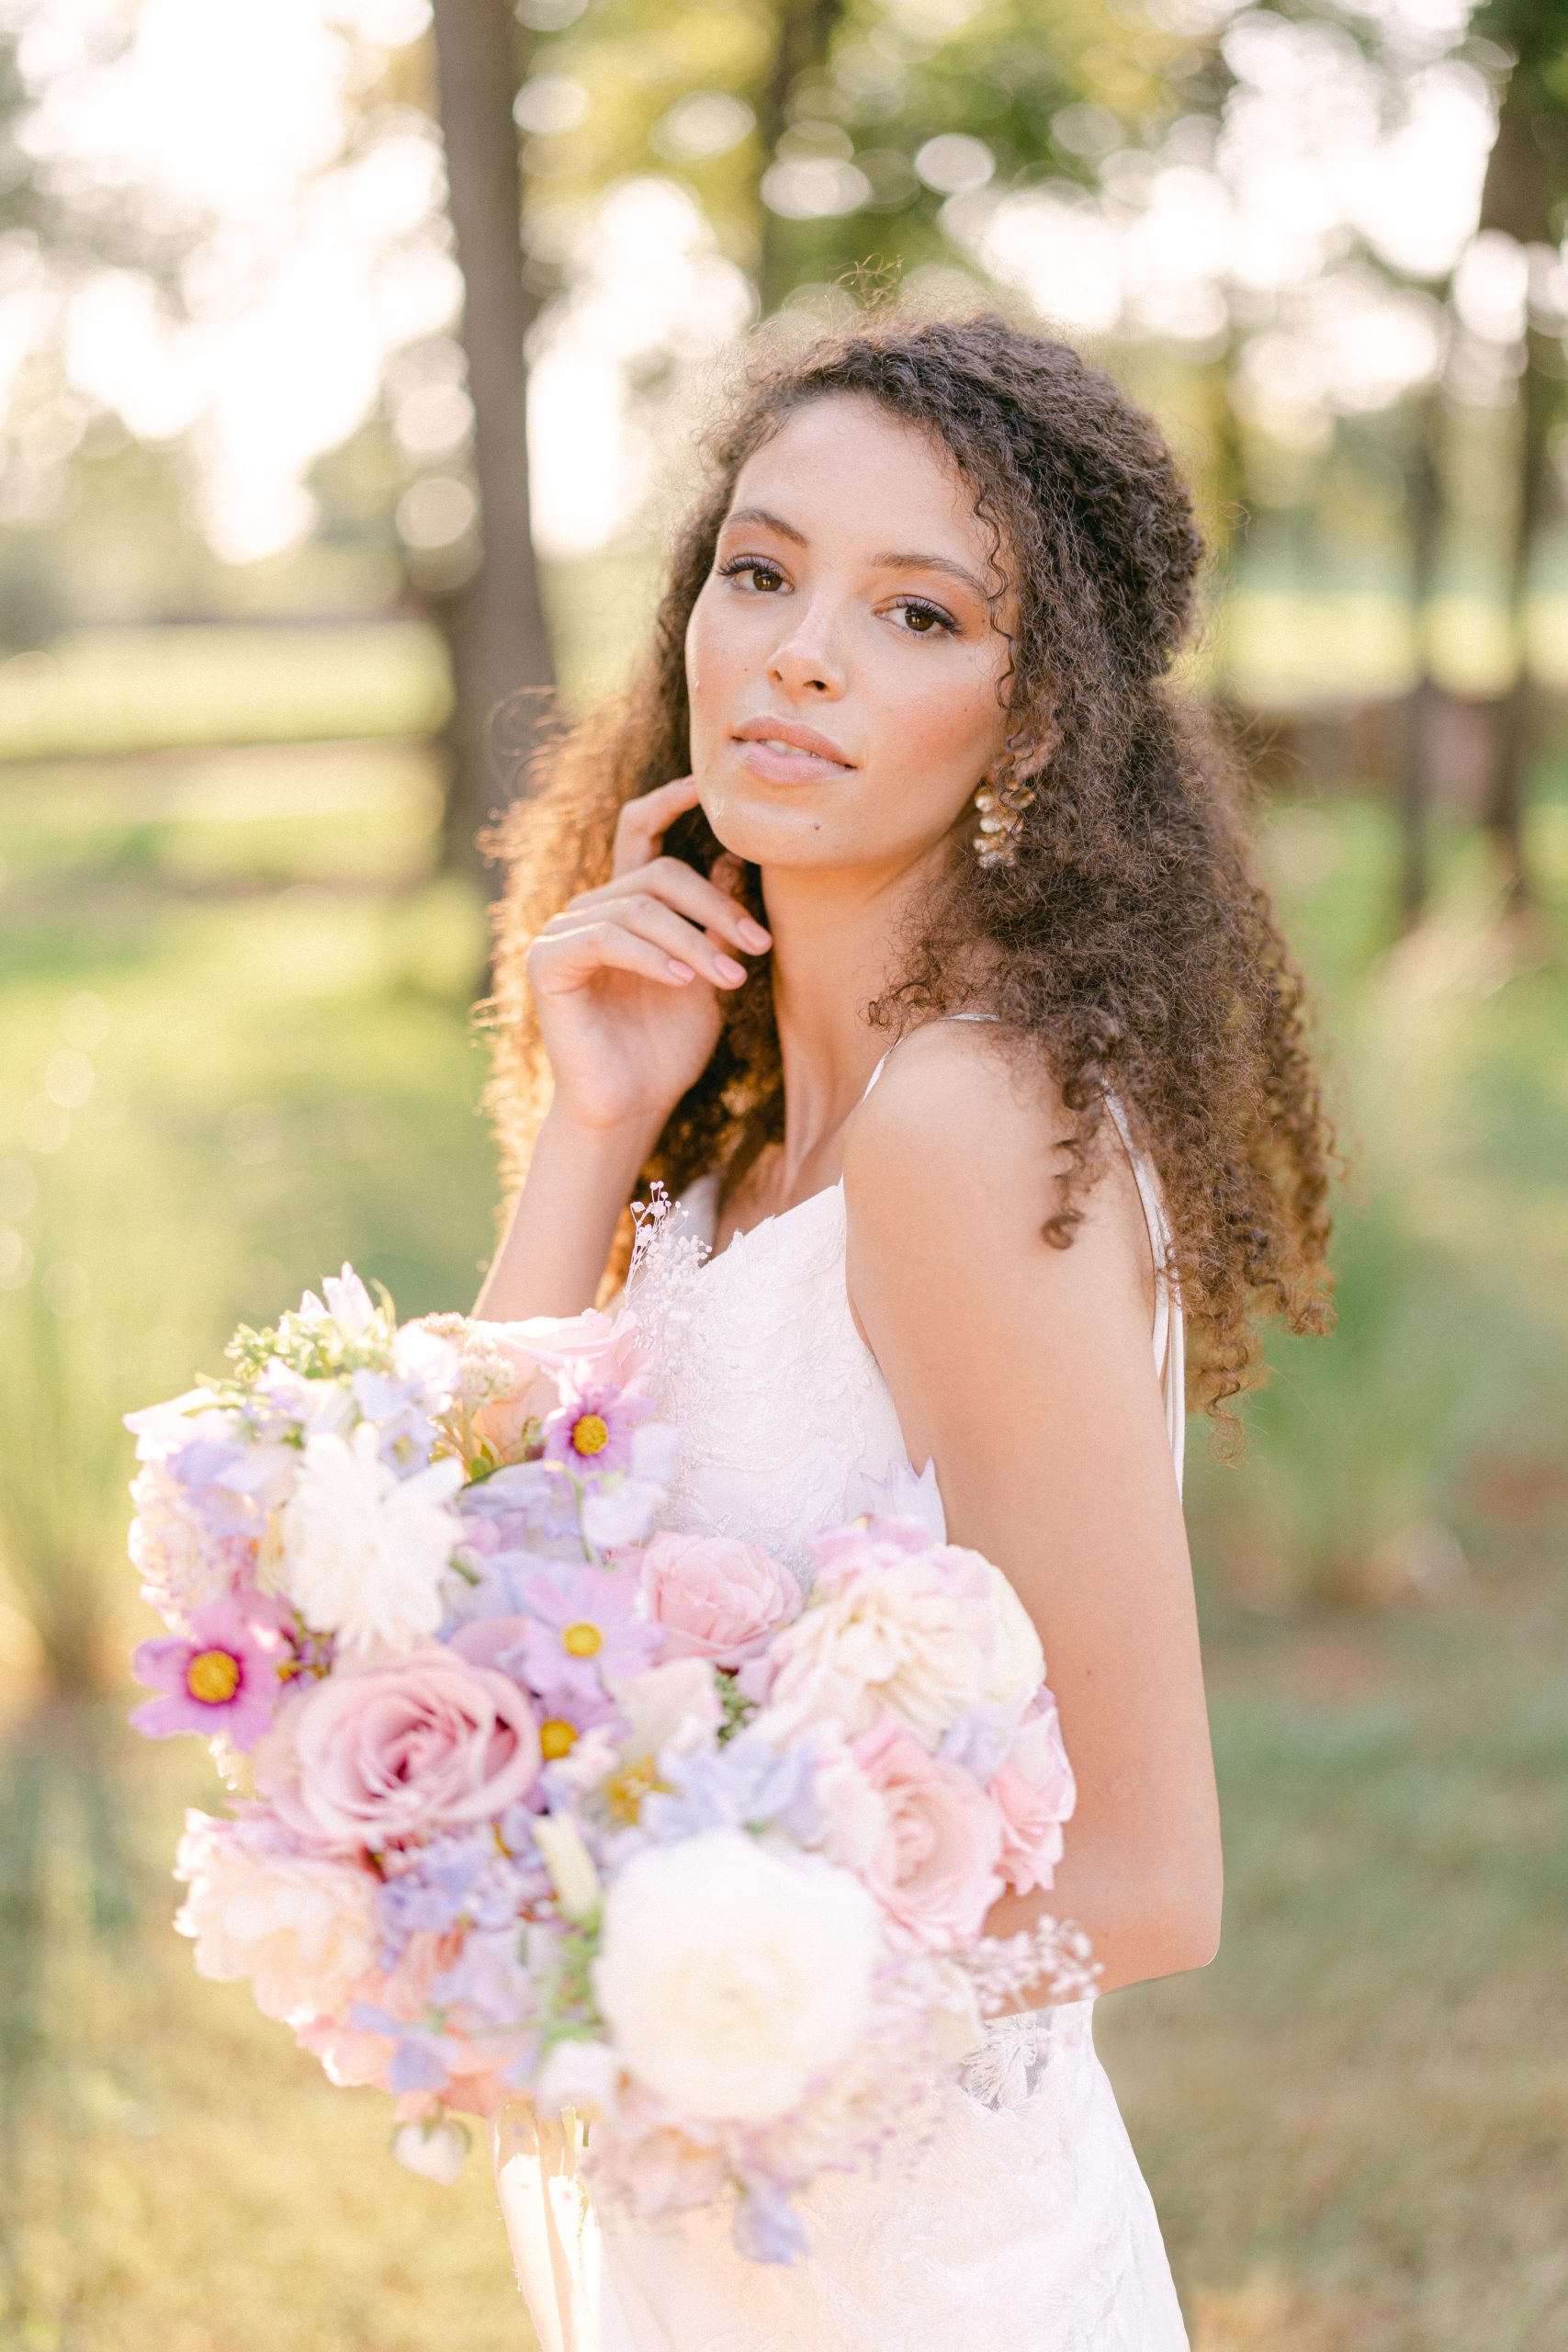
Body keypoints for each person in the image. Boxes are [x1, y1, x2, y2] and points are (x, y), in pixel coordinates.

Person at [474, 311, 1334, 2352]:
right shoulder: (736, 1144)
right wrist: (590, 1131)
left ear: (1035, 720)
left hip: (901, 2259)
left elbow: (1139, 1873)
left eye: (915, 610)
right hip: (705, 2205)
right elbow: (476, 1586)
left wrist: (646, 1985)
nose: (792, 651)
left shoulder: (970, 1122)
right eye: (759, 573)